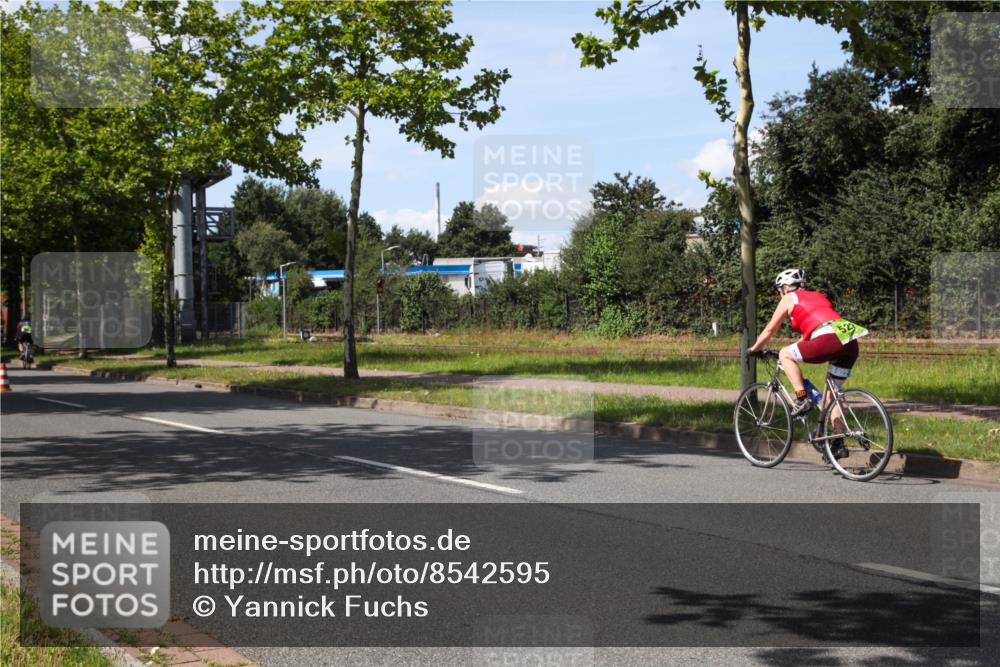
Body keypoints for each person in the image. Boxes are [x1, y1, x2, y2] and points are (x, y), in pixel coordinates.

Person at [748, 269, 869, 458]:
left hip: (828, 339)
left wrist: (754, 349)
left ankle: (802, 398)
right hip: (849, 341)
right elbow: (818, 322)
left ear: (785, 288)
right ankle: (838, 442)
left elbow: (770, 329)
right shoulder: (818, 295)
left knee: (785, 354)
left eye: (780, 290)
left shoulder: (789, 298)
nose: (780, 294)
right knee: (830, 398)